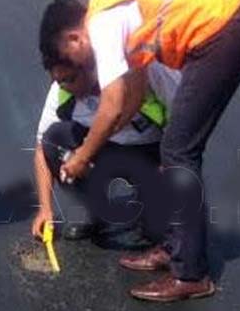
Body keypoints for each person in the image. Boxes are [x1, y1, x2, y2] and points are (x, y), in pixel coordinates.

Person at [38, 0, 240, 302]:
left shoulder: (101, 25)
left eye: (72, 61)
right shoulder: (123, 22)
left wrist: (84, 155)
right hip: (225, 26)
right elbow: (133, 93)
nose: (81, 67)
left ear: (74, 38)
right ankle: (173, 250)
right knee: (177, 149)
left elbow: (112, 104)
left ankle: (191, 274)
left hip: (222, 29)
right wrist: (106, 137)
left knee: (178, 150)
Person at [31, 58, 180, 245]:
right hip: (97, 155)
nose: (65, 86)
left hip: (145, 154)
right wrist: (45, 209)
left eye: (70, 79)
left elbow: (184, 128)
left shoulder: (137, 74)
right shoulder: (61, 89)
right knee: (54, 138)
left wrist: (170, 169)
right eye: (59, 81)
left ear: (90, 68)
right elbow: (41, 150)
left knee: (158, 234)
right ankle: (95, 211)